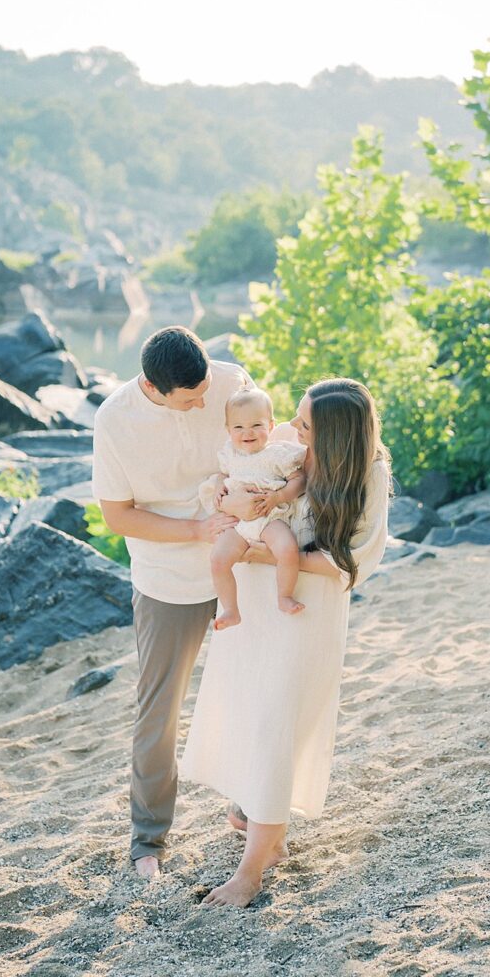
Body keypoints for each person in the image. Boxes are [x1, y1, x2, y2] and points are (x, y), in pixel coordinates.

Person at [180, 377, 391, 907]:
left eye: (304, 424)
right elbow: (230, 486)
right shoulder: (282, 450)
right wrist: (229, 511)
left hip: (306, 607)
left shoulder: (368, 474)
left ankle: (253, 866)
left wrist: (259, 554)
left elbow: (354, 561)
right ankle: (261, 821)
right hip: (254, 599)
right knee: (251, 709)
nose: (289, 429)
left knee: (278, 717)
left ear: (338, 435)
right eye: (295, 418)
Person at [91, 326, 254, 879]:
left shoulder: (229, 381)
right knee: (159, 712)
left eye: (205, 389)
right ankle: (147, 842)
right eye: (191, 399)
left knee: (253, 688)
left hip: (242, 562)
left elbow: (262, 446)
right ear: (154, 388)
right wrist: (195, 530)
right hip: (168, 580)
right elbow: (118, 516)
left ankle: (250, 806)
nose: (205, 402)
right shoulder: (115, 421)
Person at [203, 388, 307, 630]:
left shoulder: (278, 454)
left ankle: (284, 596)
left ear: (271, 426)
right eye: (238, 427)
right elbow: (222, 474)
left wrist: (277, 496)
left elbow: (299, 480)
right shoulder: (229, 454)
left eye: (256, 425)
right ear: (229, 430)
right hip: (239, 524)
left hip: (271, 516)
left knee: (287, 549)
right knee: (218, 559)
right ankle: (231, 609)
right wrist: (219, 484)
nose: (247, 432)